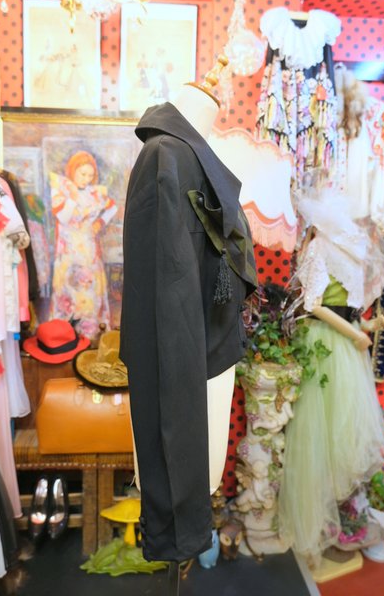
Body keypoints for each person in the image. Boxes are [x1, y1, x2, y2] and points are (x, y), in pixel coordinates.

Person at [120, 59, 257, 562]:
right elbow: (165, 293)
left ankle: (185, 534)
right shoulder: (165, 157)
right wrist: (178, 390)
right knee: (181, 477)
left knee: (201, 475)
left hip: (206, 362)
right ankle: (176, 537)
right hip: (180, 370)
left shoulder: (193, 154)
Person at [278, 189, 384, 565]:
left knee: (342, 433)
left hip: (345, 345)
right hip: (326, 345)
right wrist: (354, 334)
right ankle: (314, 527)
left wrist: (368, 324)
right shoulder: (319, 248)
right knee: (319, 434)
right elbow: (313, 304)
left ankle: (337, 524)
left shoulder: (349, 249)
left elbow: (346, 307)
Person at [49, 150, 117, 339]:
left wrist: (100, 222)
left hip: (88, 251)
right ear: (72, 171)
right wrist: (72, 195)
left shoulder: (94, 193)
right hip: (68, 252)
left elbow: (112, 207)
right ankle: (65, 336)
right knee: (68, 290)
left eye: (90, 175)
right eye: (82, 174)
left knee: (90, 290)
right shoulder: (61, 190)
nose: (86, 179)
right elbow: (64, 217)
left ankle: (89, 334)